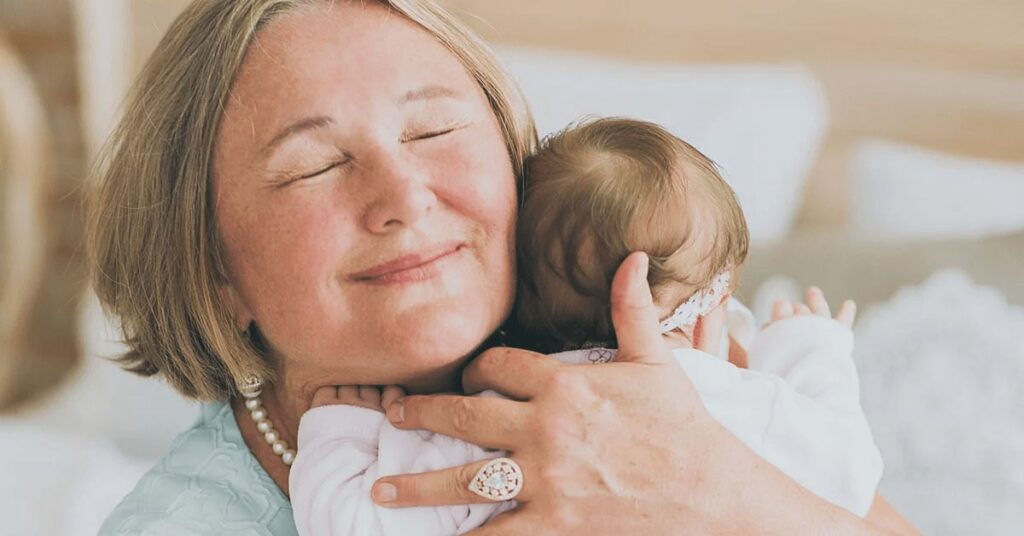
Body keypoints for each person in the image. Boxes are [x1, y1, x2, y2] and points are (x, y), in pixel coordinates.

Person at [88, 1, 919, 534]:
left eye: (433, 131)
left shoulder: (659, 367)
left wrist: (711, 484)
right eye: (314, 165)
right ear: (214, 270)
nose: (404, 197)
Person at [287, 118, 882, 535]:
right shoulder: (747, 404)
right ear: (709, 310)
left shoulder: (497, 420)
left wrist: (342, 427)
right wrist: (810, 345)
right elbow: (848, 478)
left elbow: (355, 521)